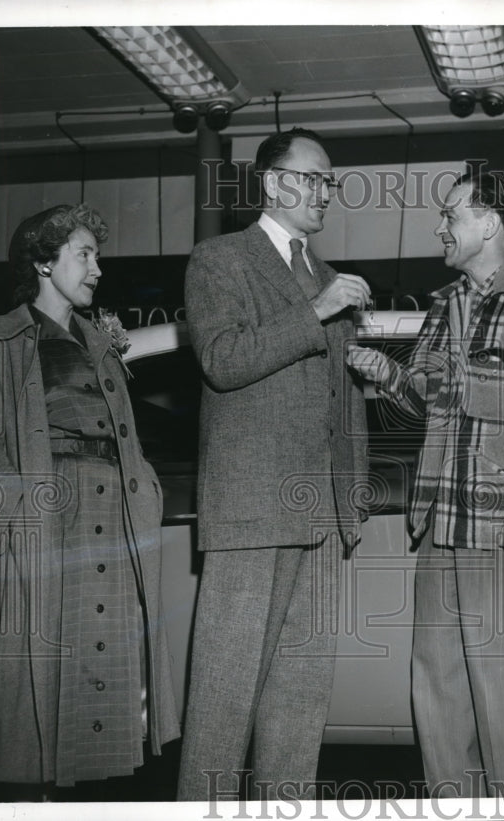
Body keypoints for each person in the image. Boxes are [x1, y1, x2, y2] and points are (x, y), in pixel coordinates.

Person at [348, 169, 504, 797]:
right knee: (439, 688)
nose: (440, 227)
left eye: (450, 215)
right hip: (440, 525)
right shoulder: (443, 303)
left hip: (503, 528)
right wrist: (391, 374)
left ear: (488, 223)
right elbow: (429, 396)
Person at [0, 204, 181, 793]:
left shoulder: (99, 343)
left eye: (96, 255)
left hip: (113, 517)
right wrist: (22, 517)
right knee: (41, 684)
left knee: (97, 673)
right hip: (48, 523)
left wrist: (146, 492)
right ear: (42, 263)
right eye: (84, 254)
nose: (97, 268)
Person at [176, 127, 371, 801]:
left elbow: (335, 397)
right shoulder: (219, 259)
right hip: (252, 509)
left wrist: (353, 498)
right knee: (223, 701)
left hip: (318, 513)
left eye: (328, 181)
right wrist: (317, 311)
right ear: (274, 182)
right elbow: (223, 360)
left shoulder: (323, 273)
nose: (325, 192)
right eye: (314, 178)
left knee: (299, 702)